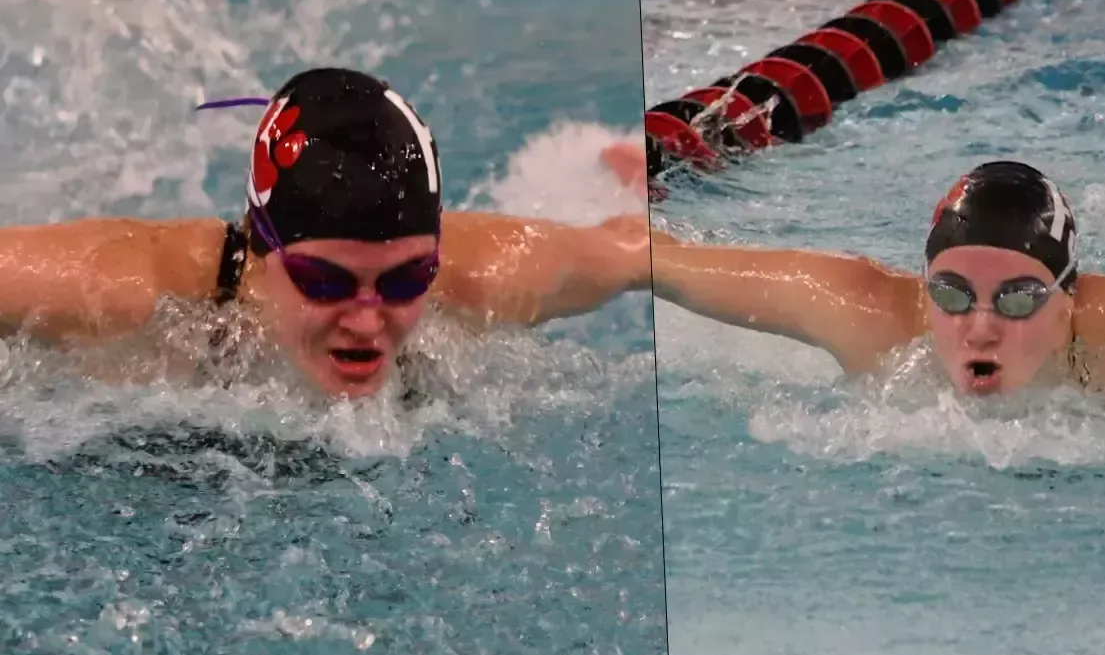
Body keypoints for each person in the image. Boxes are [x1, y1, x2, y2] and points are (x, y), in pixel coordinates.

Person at [0, 68, 655, 400]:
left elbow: (645, 256)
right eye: (324, 282)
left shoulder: (482, 279)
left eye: (403, 280)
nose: (368, 323)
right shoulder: (125, 294)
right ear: (260, 252)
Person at [611, 158, 1105, 395]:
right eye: (950, 294)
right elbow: (651, 257)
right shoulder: (868, 316)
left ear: (1070, 300)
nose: (979, 327)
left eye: (1019, 298)